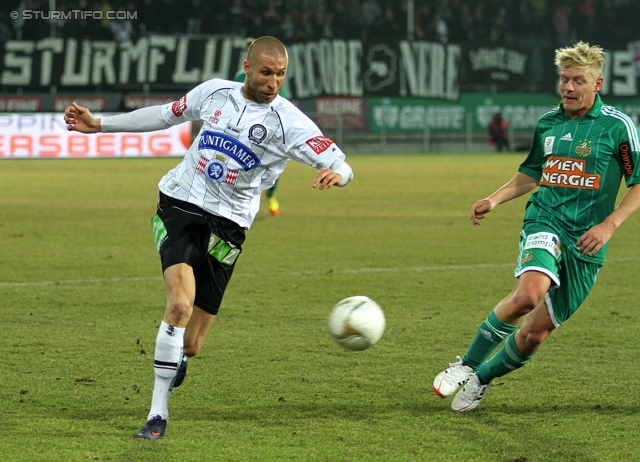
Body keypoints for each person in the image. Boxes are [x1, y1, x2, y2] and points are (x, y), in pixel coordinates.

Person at [64, 36, 353, 438]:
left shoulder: (291, 123)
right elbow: (166, 115)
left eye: (281, 75)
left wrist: (338, 173)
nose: (273, 82)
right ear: (248, 67)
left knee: (192, 344)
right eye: (266, 72)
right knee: (179, 305)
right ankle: (157, 414)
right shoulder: (214, 92)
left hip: (230, 226)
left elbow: (338, 159)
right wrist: (101, 125)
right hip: (181, 204)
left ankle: (174, 356)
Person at [432, 41, 640, 412]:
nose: (569, 88)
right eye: (564, 79)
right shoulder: (549, 123)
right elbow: (532, 172)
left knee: (534, 334)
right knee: (528, 295)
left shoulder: (618, 127)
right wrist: (493, 199)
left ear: (598, 84)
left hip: (587, 241)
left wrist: (609, 226)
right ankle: (466, 363)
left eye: (578, 80)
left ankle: (482, 378)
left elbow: (638, 182)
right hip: (545, 219)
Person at [235, 36, 286, 216]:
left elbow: (282, 100)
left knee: (275, 165)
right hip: (247, 130)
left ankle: (271, 196)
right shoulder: (240, 76)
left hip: (269, 128)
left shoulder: (271, 75)